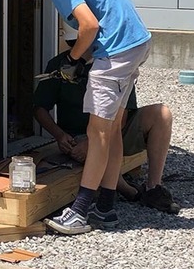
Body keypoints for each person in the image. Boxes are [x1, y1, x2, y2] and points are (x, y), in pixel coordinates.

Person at [8, 0, 152, 235]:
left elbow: (89, 26)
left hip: (117, 52)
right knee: (110, 132)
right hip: (136, 43)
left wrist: (73, 60)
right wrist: (80, 58)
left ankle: (80, 211)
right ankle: (106, 208)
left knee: (97, 133)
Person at [34, 27, 180, 215]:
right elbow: (39, 108)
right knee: (95, 148)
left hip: (115, 132)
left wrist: (92, 142)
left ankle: (153, 187)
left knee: (162, 114)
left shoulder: (117, 64)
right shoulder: (58, 65)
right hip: (76, 138)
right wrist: (60, 136)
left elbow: (122, 115)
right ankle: (128, 191)